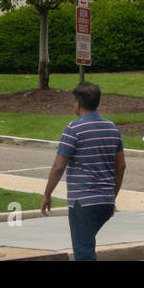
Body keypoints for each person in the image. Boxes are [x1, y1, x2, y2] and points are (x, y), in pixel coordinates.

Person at [40, 82, 126, 261]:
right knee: (87, 245)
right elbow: (121, 166)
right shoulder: (112, 128)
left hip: (83, 202)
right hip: (106, 202)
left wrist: (47, 194)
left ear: (78, 102)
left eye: (74, 101)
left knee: (84, 253)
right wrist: (112, 194)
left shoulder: (73, 129)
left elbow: (58, 167)